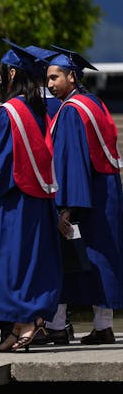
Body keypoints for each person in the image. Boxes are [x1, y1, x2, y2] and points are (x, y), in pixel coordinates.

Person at [0, 40, 61, 352]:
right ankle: (22, 324)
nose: (1, 79)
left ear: (13, 72)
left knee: (9, 263)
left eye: (4, 74)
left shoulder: (10, 111)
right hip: (37, 199)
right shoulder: (37, 110)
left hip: (13, 201)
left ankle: (28, 323)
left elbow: (1, 160)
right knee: (30, 262)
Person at [47, 45, 123, 345]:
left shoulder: (71, 111)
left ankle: (55, 325)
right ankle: (103, 326)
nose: (50, 84)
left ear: (72, 76)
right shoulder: (95, 104)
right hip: (106, 189)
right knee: (103, 257)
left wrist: (66, 207)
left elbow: (71, 161)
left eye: (55, 78)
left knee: (72, 257)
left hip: (86, 192)